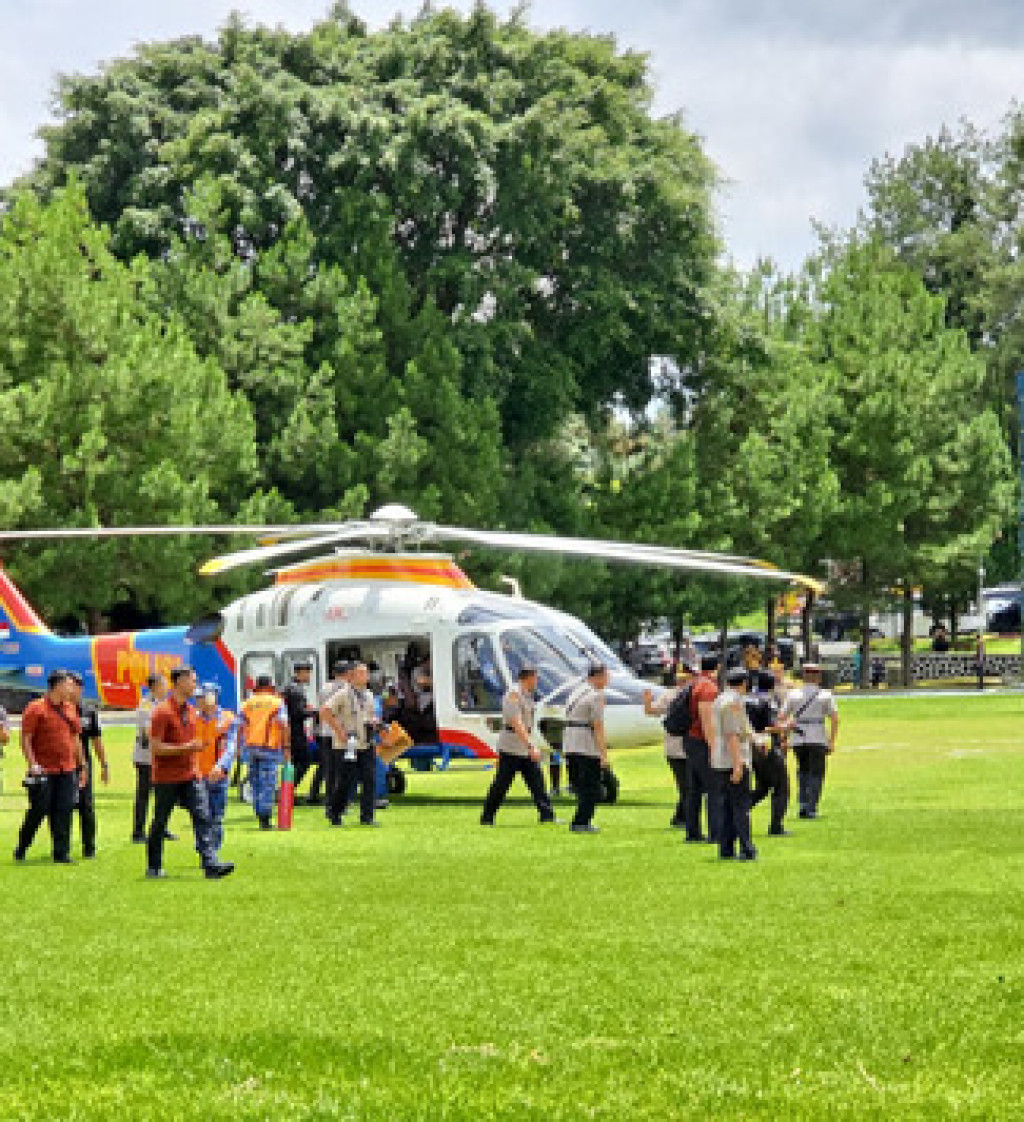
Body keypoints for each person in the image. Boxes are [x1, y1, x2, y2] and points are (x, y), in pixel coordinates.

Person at [147, 666, 233, 879]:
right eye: (193, 681)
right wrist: (187, 748)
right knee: (160, 821)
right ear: (180, 682)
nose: (195, 685)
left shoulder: (191, 711)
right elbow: (156, 748)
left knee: (203, 815)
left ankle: (210, 863)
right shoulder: (162, 712)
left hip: (190, 775)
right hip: (166, 777)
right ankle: (154, 866)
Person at [14, 669, 87, 864]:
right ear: (58, 685)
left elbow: (75, 738)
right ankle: (22, 845)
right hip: (45, 770)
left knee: (64, 810)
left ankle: (61, 853)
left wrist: (82, 765)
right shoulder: (35, 708)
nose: (71, 689)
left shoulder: (71, 709)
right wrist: (33, 764)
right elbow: (26, 739)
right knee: (38, 811)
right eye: (68, 684)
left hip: (67, 768)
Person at [480, 665, 557, 826]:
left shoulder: (527, 695)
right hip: (512, 746)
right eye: (535, 678)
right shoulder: (514, 694)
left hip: (523, 744)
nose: (537, 681)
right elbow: (516, 723)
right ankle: (487, 817)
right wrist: (530, 746)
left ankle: (547, 815)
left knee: (537, 781)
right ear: (527, 678)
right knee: (502, 784)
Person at [322, 661, 380, 827]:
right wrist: (338, 730)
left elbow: (369, 715)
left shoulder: (368, 694)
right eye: (361, 673)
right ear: (351, 676)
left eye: (366, 673)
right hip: (347, 745)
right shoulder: (343, 694)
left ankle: (367, 816)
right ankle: (335, 812)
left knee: (370, 779)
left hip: (366, 742)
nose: (365, 676)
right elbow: (325, 711)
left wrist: (376, 723)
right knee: (346, 780)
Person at [710, 667, 758, 861]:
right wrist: (738, 764)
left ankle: (726, 847)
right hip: (733, 758)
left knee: (728, 806)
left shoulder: (720, 699)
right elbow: (732, 734)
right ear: (744, 683)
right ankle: (746, 848)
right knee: (740, 806)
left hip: (721, 758)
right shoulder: (733, 702)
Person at [781, 662, 839, 819]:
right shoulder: (825, 695)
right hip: (817, 735)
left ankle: (803, 803)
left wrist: (784, 737)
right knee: (817, 773)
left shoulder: (793, 694)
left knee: (803, 771)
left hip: (798, 736)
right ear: (818, 677)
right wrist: (831, 740)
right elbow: (834, 718)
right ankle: (811, 806)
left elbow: (782, 717)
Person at [643, 660, 696, 830]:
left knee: (686, 785)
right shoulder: (692, 695)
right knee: (689, 786)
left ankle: (681, 817)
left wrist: (647, 701)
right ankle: (684, 818)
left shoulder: (669, 695)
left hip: (673, 747)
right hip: (687, 746)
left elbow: (650, 711)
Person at [562, 662, 610, 834]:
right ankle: (581, 821)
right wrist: (603, 754)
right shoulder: (596, 695)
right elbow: (597, 725)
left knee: (581, 785)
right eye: (606, 676)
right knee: (591, 786)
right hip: (585, 743)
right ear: (598, 677)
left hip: (570, 741)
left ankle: (580, 820)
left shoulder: (577, 691)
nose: (608, 679)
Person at [194, 681, 239, 860]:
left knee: (217, 817)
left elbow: (231, 746)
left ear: (212, 697)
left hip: (218, 776)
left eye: (201, 697)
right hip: (197, 776)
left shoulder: (228, 719)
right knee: (201, 816)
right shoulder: (192, 718)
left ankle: (213, 852)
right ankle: (204, 849)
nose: (198, 700)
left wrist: (221, 765)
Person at [240, 675, 290, 830]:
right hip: (270, 747)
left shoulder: (247, 703)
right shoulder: (277, 703)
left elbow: (239, 726)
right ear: (270, 687)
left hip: (251, 748)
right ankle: (265, 819)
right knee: (268, 783)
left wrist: (238, 748)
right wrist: (287, 746)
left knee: (255, 782)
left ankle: (258, 812)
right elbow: (283, 725)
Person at [68, 671, 109, 859]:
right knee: (62, 806)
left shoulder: (88, 712)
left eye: (74, 685)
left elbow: (96, 740)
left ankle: (89, 847)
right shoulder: (58, 710)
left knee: (86, 805)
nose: (70, 689)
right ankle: (62, 846)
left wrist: (104, 764)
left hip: (83, 764)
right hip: (63, 763)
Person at [746, 670, 790, 836]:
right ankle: (776, 826)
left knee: (763, 787)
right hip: (767, 746)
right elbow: (770, 726)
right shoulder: (768, 701)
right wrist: (786, 726)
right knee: (781, 786)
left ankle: (737, 811)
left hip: (751, 747)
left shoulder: (747, 699)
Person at [682, 654, 721, 843]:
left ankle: (693, 831)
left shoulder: (696, 683)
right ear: (718, 667)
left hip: (691, 739)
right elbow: (706, 719)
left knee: (695, 789)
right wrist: (714, 746)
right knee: (714, 788)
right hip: (701, 741)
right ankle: (716, 832)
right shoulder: (708, 687)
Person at [132, 673, 173, 843]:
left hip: (160, 756)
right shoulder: (146, 705)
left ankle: (160, 827)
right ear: (156, 686)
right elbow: (149, 731)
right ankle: (138, 832)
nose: (167, 687)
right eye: (164, 684)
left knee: (162, 795)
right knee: (143, 795)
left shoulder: (163, 703)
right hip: (146, 758)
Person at [308, 660, 351, 813]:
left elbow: (320, 710)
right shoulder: (348, 689)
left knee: (329, 770)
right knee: (342, 770)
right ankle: (339, 804)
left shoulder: (324, 688)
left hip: (325, 733)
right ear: (347, 673)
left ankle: (329, 802)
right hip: (340, 733)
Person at [281, 661, 317, 799]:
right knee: (304, 761)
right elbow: (297, 713)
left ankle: (287, 792)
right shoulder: (296, 690)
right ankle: (287, 792)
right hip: (295, 731)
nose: (309, 676)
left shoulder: (289, 687)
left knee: (295, 762)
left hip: (289, 730)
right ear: (299, 673)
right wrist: (314, 712)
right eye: (307, 673)